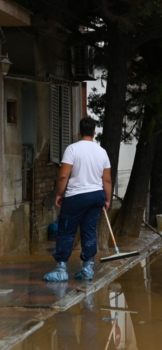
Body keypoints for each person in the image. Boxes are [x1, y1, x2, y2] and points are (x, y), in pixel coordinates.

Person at [44, 117, 112, 282]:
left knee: (66, 230)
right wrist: (107, 199)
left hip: (76, 197)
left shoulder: (72, 149)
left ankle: (61, 269)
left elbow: (63, 175)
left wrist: (59, 194)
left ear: (79, 131)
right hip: (96, 196)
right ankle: (87, 268)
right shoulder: (102, 151)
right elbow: (107, 180)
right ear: (94, 132)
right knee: (89, 230)